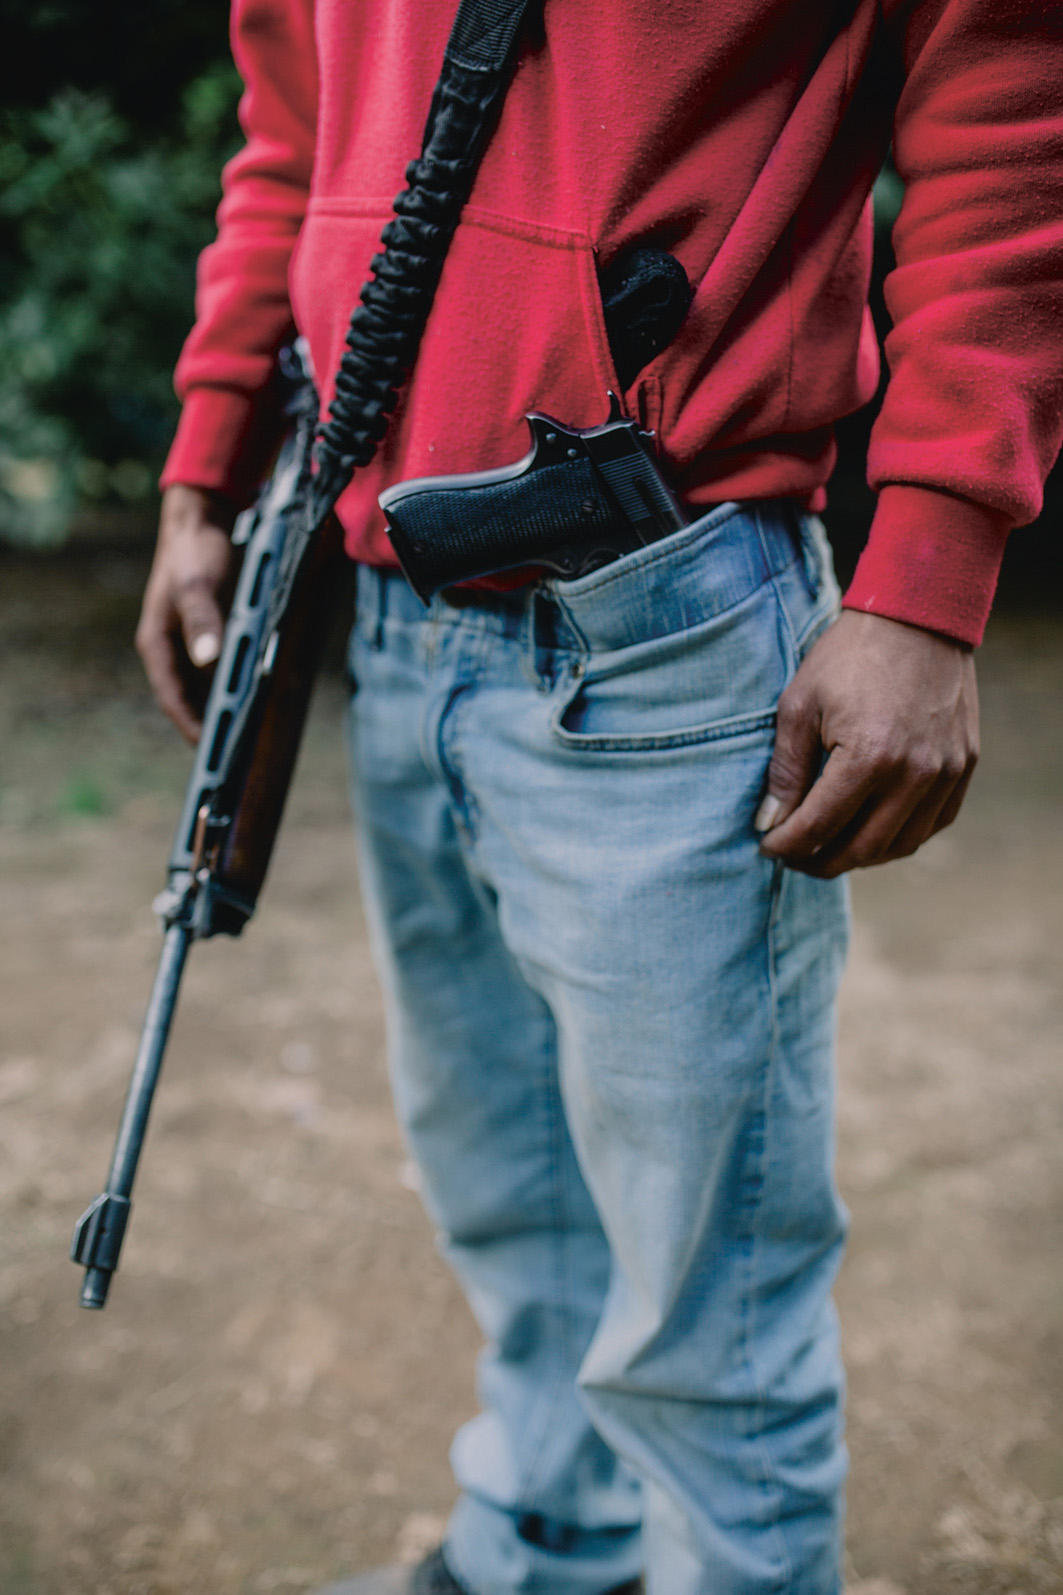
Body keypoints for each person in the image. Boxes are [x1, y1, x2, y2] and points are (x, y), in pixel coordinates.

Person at [134, 2, 1063, 1591]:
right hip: (379, 595)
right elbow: (287, 134)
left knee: (709, 1294)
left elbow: (1010, 111)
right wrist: (205, 467)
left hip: (673, 614)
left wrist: (931, 567)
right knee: (504, 1174)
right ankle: (551, 1542)